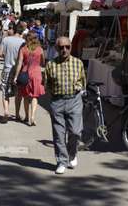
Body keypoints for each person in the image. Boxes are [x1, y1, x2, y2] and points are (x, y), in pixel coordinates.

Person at [43, 36, 86, 175]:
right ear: (56, 48)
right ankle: (62, 161)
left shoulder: (78, 63)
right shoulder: (51, 64)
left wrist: (78, 86)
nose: (64, 50)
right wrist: (54, 97)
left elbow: (83, 80)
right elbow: (47, 83)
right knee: (59, 134)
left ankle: (72, 154)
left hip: (74, 100)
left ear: (71, 47)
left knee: (75, 132)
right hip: (57, 101)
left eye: (67, 47)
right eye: (61, 47)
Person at [13, 31, 45, 126]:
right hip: (36, 74)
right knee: (35, 96)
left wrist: (15, 76)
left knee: (26, 96)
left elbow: (19, 63)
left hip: (25, 74)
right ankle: (32, 116)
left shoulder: (23, 49)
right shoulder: (40, 49)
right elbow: (43, 62)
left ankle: (27, 116)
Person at [0, 26, 26, 123]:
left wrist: (7, 56)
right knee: (18, 93)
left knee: (5, 91)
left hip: (7, 69)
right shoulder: (23, 42)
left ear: (13, 30)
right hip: (18, 71)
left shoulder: (5, 40)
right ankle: (17, 114)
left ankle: (6, 111)